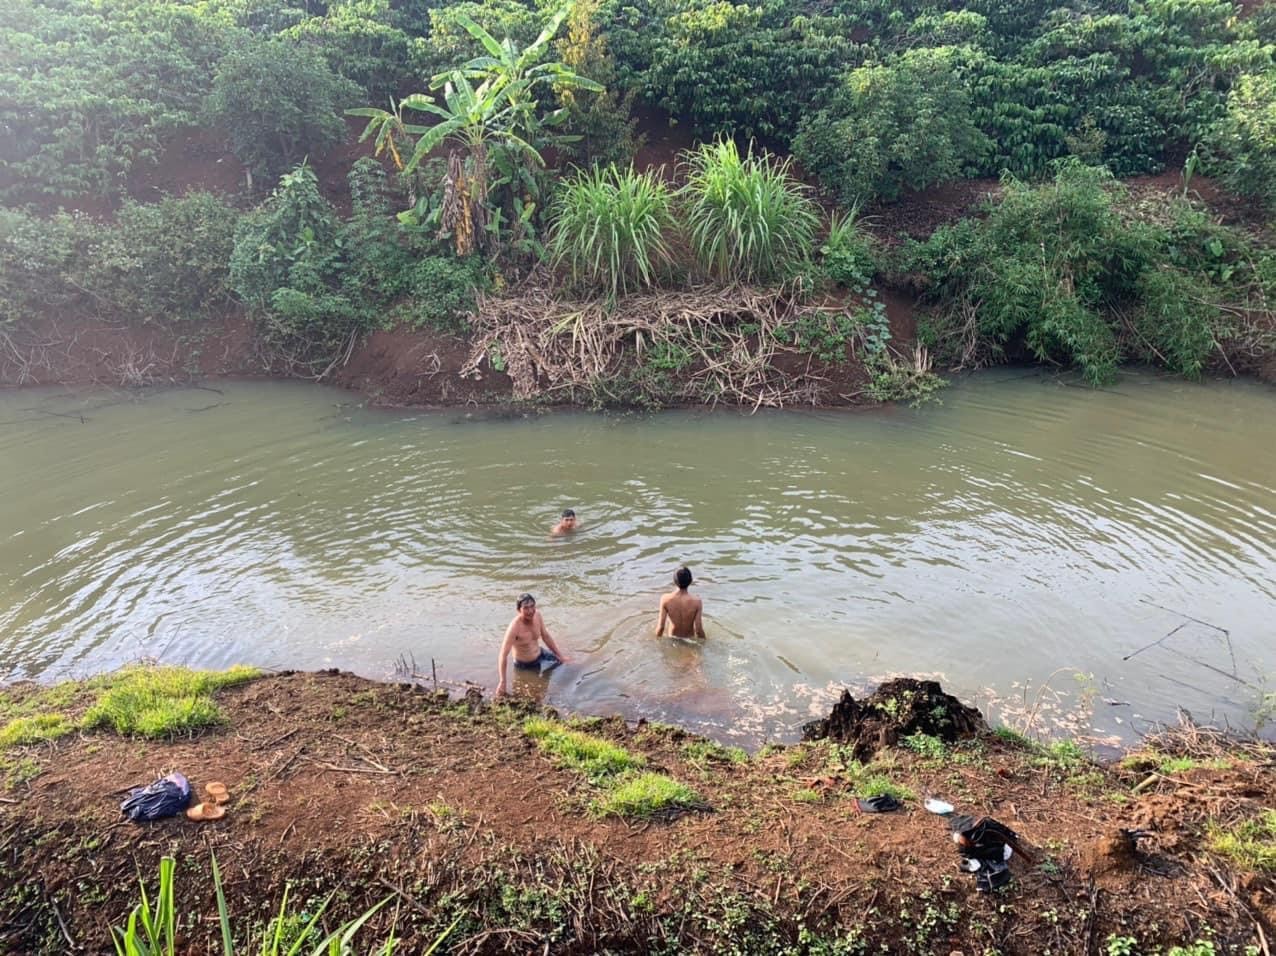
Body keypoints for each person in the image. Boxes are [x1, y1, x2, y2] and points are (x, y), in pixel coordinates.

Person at [496, 593, 571, 696]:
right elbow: (503, 655)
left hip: (541, 654)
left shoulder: (537, 615)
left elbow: (546, 636)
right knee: (536, 693)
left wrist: (560, 655)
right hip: (525, 665)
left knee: (565, 664)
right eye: (526, 608)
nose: (530, 611)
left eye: (532, 606)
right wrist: (502, 681)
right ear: (519, 610)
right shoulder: (514, 628)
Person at [656, 566, 706, 639]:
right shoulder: (697, 602)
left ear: (674, 581)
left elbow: (661, 628)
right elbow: (698, 629)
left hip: (672, 638)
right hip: (689, 639)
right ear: (690, 581)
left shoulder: (665, 599)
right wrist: (704, 642)